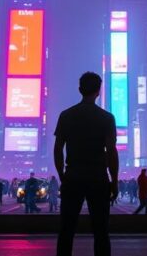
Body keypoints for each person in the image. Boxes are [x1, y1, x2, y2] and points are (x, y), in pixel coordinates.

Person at [54, 72, 118, 256]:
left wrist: (62, 176)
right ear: (99, 91)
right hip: (98, 177)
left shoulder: (66, 116)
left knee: (66, 230)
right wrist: (114, 180)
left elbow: (58, 149)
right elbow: (111, 152)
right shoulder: (107, 118)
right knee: (101, 231)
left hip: (73, 175)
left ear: (80, 89)